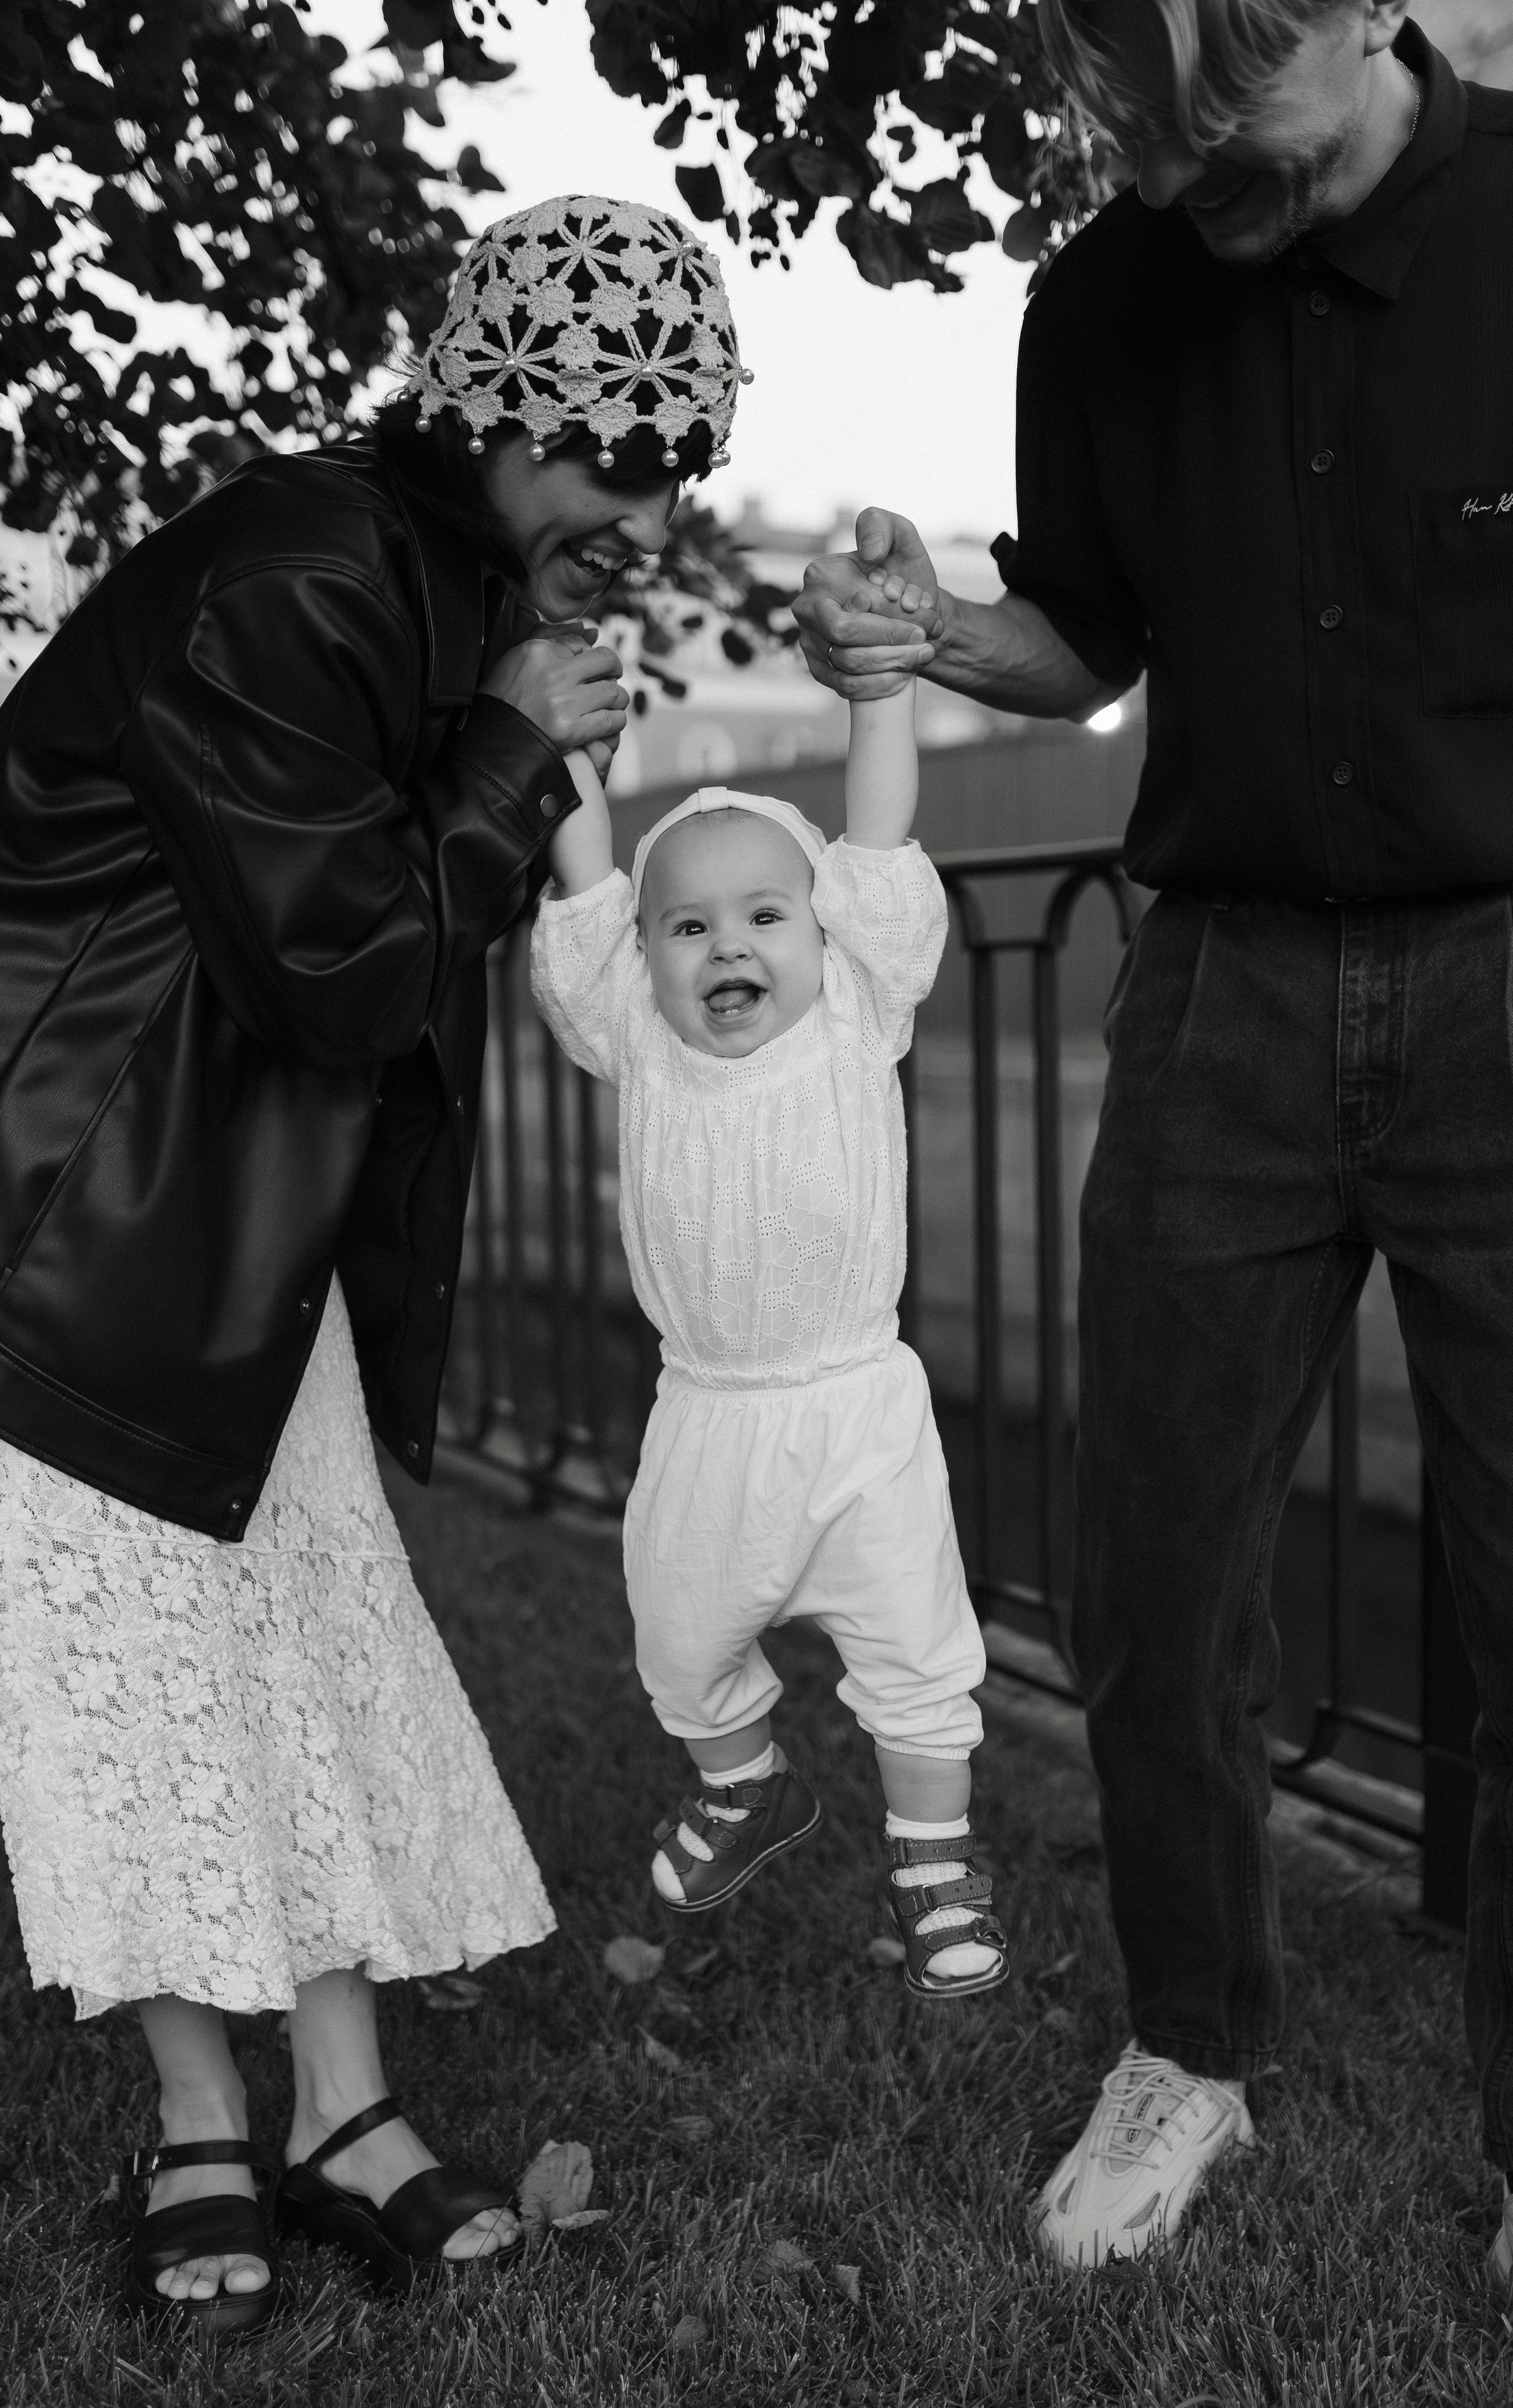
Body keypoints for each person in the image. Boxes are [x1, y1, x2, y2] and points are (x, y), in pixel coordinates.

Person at [795, 0, 1513, 2385]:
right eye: (1138, 142)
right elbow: (1088, 639)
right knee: (1152, 1580)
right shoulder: (1107, 293)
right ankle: (1193, 2052)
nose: (1184, 182)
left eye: (1220, 129)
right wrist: (931, 629)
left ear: (1363, 9)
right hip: (1220, 994)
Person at [0, 193, 746, 2337]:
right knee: (126, 1669)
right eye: (623, 447)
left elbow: (376, 945)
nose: (652, 503)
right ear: (509, 407)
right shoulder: (306, 575)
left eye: (683, 457)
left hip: (223, 1187)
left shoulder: (440, 579)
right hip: (74, 1201)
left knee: (305, 1623)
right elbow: (343, 967)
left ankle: (336, 2106)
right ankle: (198, 2117)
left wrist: (512, 733)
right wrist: (513, 743)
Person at [528, 667, 1010, 1998]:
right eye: (684, 926)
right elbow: (581, 894)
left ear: (822, 934)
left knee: (913, 1645)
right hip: (709, 1408)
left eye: (760, 915)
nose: (724, 945)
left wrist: (875, 702)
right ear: (646, 961)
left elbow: (876, 838)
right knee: (676, 1637)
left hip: (854, 1405)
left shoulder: (858, 1011)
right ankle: (747, 1787)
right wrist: (571, 753)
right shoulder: (638, 1032)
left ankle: (931, 1860)